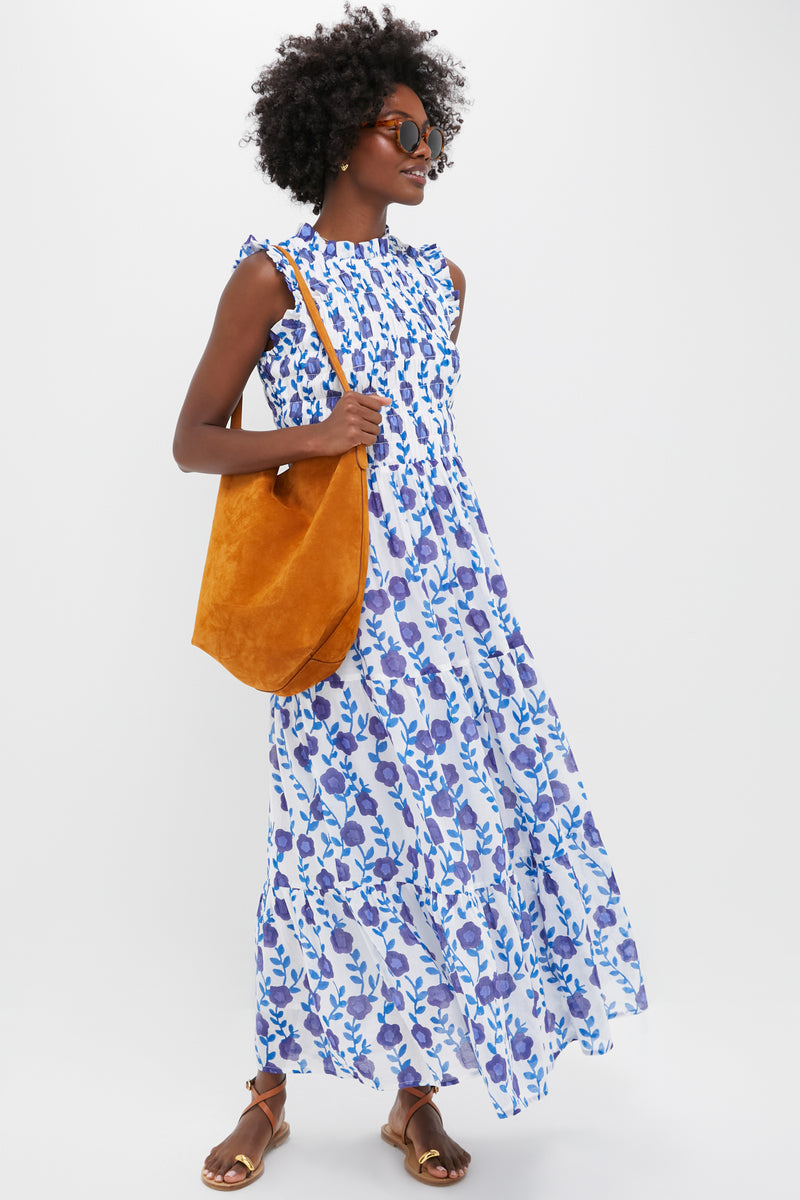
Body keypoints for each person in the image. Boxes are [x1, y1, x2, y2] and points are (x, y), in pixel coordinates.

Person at [173, 4, 649, 1191]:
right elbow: (193, 440)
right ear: (339, 135)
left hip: (450, 600)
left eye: (430, 129)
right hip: (337, 605)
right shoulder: (272, 277)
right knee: (322, 840)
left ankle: (413, 1095)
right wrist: (314, 435)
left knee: (448, 833)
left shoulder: (441, 281)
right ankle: (267, 1095)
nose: (421, 148)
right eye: (399, 128)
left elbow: (428, 452)